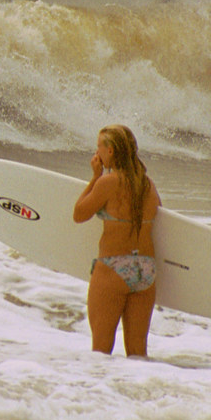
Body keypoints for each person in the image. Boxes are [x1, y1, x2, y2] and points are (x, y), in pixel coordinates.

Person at [73, 124, 161, 357]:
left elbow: (79, 214)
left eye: (98, 147)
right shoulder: (148, 184)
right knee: (138, 354)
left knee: (101, 352)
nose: (97, 153)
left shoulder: (108, 182)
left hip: (113, 269)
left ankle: (102, 392)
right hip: (145, 270)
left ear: (110, 150)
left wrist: (95, 178)